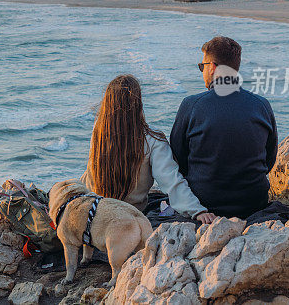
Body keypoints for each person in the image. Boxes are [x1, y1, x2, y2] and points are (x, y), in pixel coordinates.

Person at [81, 74, 216, 224]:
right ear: (138, 103)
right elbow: (171, 181)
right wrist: (196, 210)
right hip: (130, 215)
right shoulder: (152, 139)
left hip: (96, 211)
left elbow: (90, 174)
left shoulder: (99, 132)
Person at [170, 36, 280, 220]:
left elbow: (177, 160)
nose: (202, 71)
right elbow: (269, 160)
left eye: (202, 66)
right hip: (253, 203)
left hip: (205, 204)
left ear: (212, 67)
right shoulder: (262, 105)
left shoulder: (192, 105)